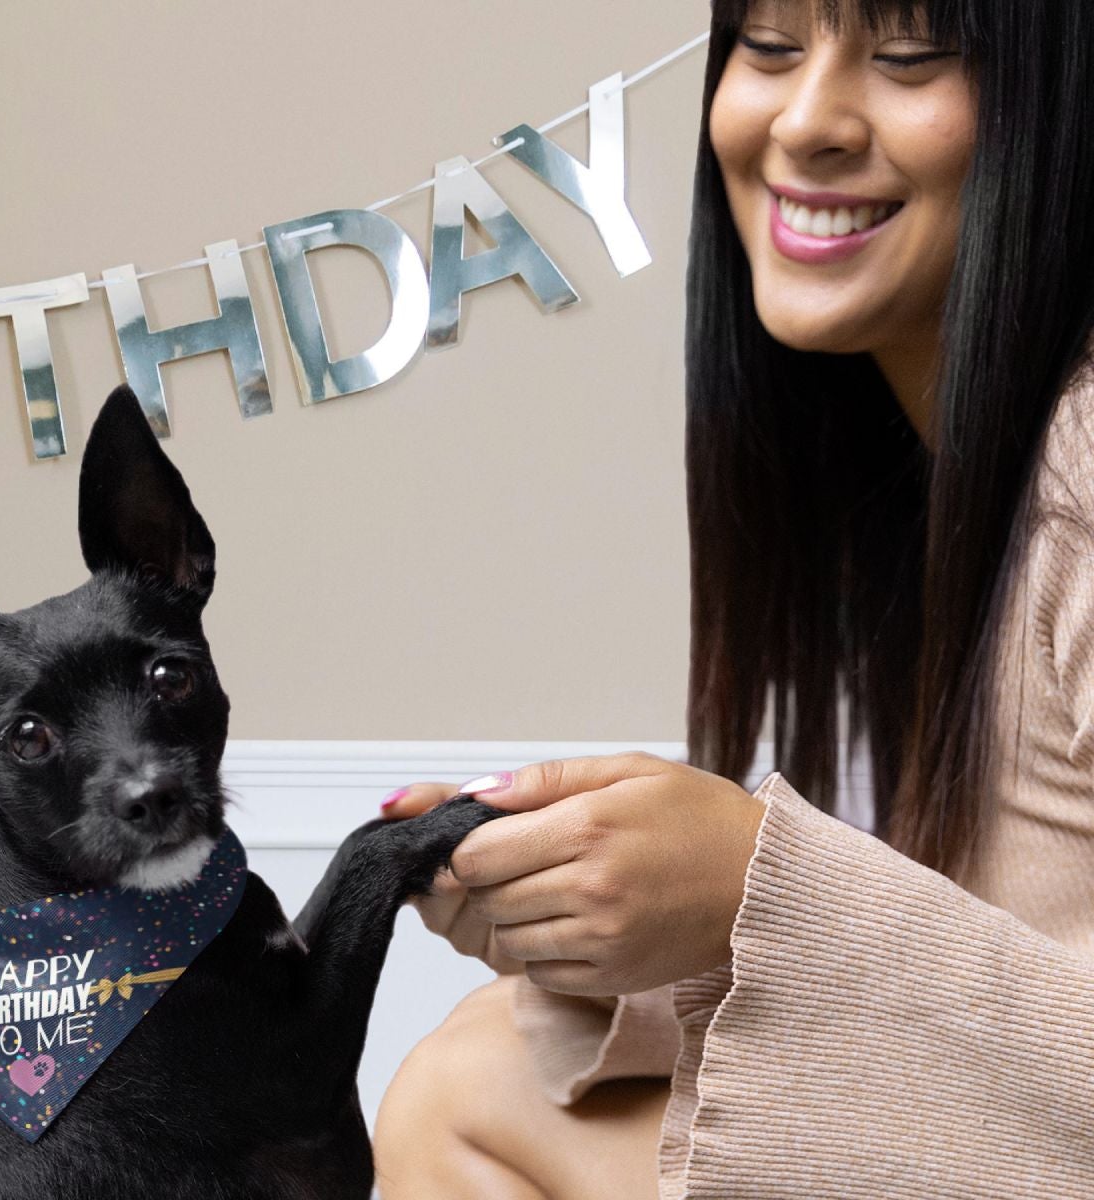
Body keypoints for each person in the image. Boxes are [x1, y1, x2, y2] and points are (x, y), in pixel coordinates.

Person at [366, 1, 1094, 1196]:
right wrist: (638, 930)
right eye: (763, 48)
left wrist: (755, 892)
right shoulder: (938, 477)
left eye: (908, 54)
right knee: (491, 1054)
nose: (802, 121)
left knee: (468, 1099)